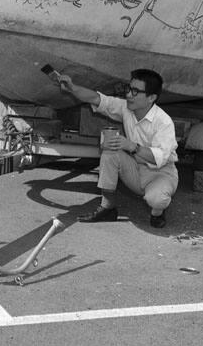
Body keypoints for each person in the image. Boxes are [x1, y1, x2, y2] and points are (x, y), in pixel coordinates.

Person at [56, 68, 178, 228]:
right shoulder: (126, 108)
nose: (128, 95)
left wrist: (132, 146)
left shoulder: (164, 122)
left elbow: (160, 157)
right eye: (129, 89)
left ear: (151, 97)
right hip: (135, 167)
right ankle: (107, 208)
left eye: (135, 91)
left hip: (161, 173)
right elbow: (96, 99)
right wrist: (72, 88)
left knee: (157, 199)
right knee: (110, 151)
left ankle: (158, 213)